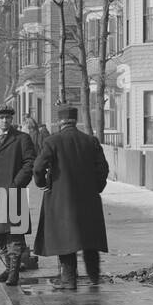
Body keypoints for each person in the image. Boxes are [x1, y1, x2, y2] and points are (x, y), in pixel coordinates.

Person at [32, 104, 109, 291]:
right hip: (89, 200)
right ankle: (94, 278)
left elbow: (38, 168)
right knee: (90, 241)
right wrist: (96, 188)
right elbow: (103, 168)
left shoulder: (52, 141)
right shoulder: (91, 141)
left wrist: (43, 184)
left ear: (60, 122)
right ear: (75, 121)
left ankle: (69, 281)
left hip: (61, 200)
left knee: (66, 242)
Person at [0, 105, 36, 286]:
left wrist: (16, 184)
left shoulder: (22, 139)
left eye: (8, 118)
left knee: (14, 234)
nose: (5, 121)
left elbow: (29, 163)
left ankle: (14, 273)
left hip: (13, 193)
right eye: (1, 117)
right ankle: (8, 267)